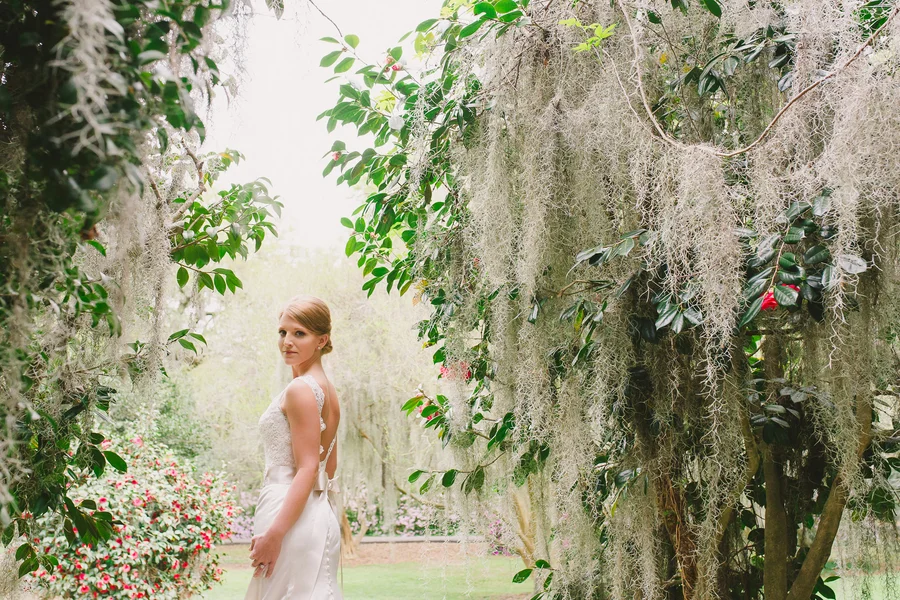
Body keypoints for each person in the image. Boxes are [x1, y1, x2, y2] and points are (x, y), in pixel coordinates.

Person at [245, 295, 342, 599]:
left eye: (299, 333)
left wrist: (275, 534)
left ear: (321, 340)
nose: (287, 341)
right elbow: (330, 466)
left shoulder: (301, 390)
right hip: (315, 512)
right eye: (283, 332)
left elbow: (310, 467)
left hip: (288, 514)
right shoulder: (326, 389)